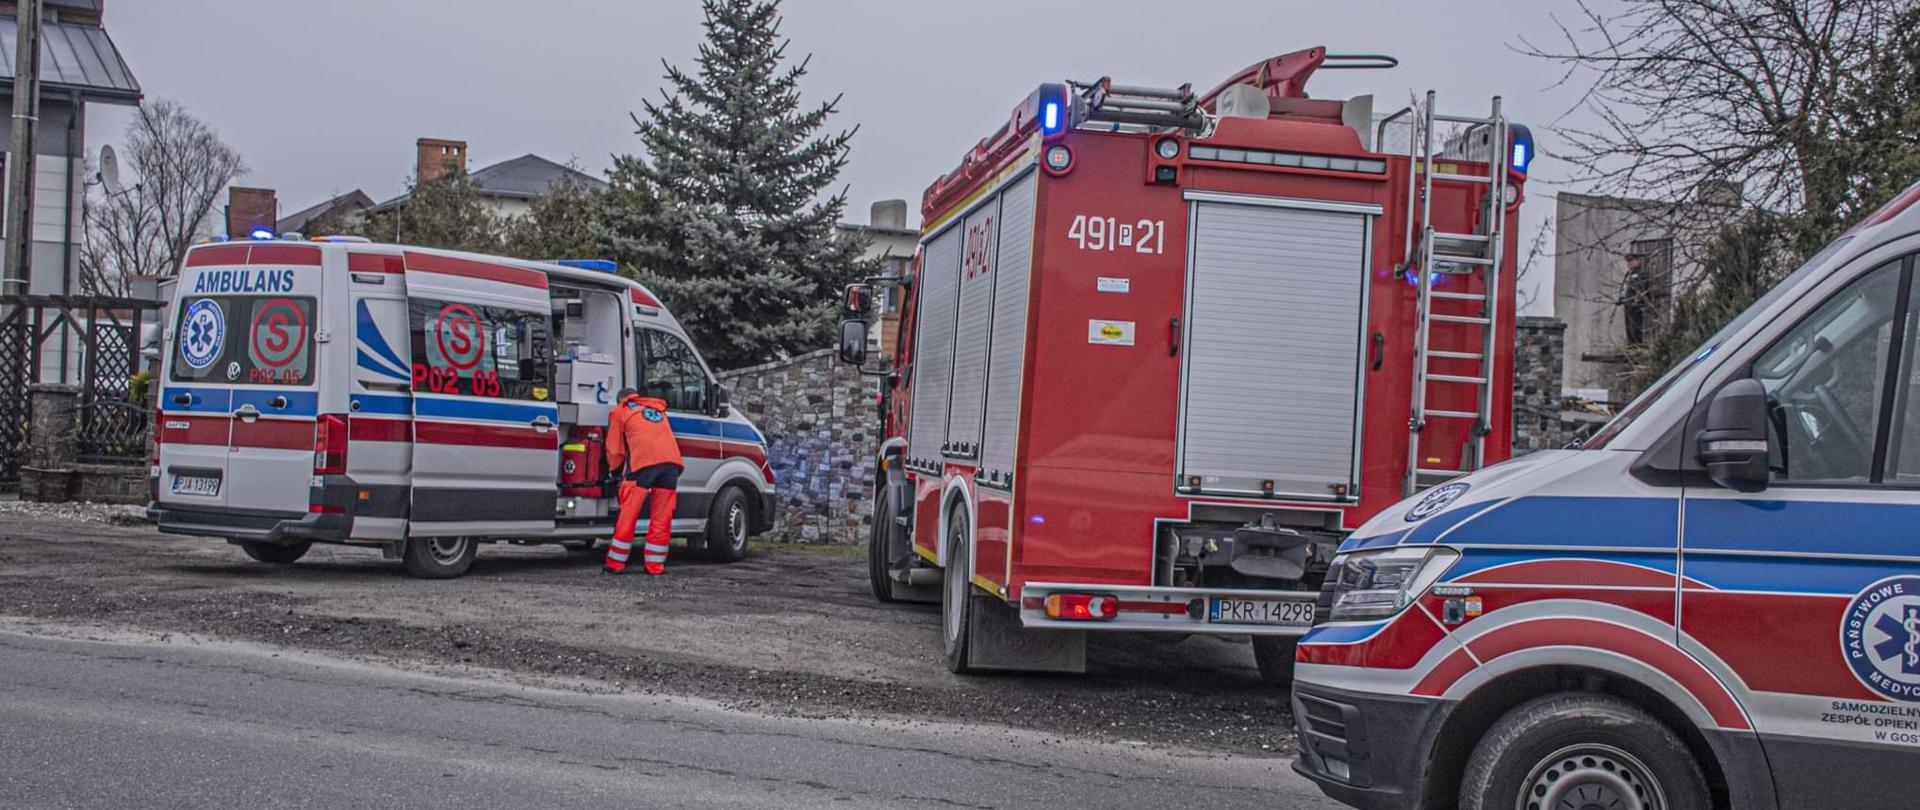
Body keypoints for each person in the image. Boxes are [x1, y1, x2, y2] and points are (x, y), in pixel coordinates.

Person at [602, 387, 684, 576]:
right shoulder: (655, 409)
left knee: (628, 514)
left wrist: (613, 469)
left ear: (621, 399)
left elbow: (615, 449)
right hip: (671, 465)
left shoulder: (620, 411)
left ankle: (615, 563)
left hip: (642, 464)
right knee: (662, 517)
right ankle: (655, 566)